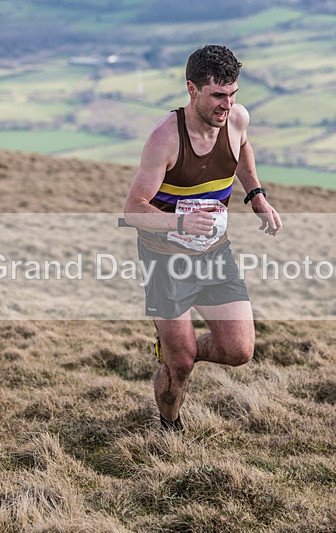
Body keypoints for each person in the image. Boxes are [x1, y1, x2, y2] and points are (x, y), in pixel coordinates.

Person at [123, 44, 282, 432]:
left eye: (232, 95)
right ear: (192, 89)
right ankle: (169, 423)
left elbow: (242, 150)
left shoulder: (236, 120)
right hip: (165, 258)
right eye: (217, 96)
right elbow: (133, 209)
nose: (226, 105)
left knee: (239, 350)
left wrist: (255, 194)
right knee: (179, 364)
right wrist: (179, 224)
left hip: (214, 253)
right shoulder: (166, 138)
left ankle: (184, 348)